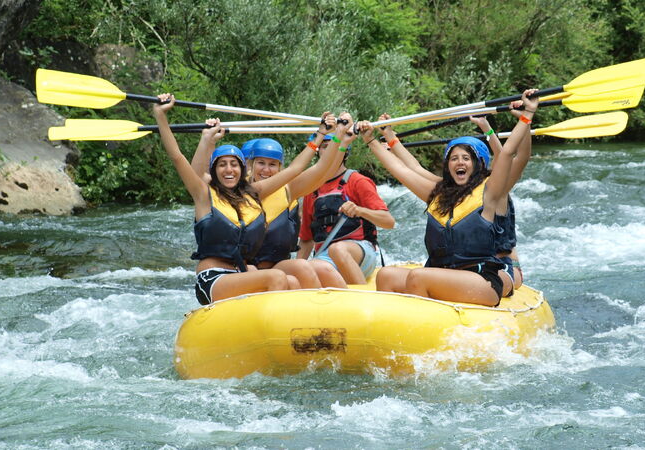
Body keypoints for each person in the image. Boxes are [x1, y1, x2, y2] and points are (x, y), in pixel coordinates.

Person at [356, 88, 538, 306]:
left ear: (479, 164)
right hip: (444, 273)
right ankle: (388, 330)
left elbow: (510, 155)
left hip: (482, 277)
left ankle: (418, 328)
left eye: (465, 158)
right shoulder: (438, 195)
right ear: (447, 166)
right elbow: (404, 170)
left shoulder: (491, 193)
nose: (459, 162)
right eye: (453, 159)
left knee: (418, 276)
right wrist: (372, 140)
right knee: (386, 275)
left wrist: (526, 116)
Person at [153, 93, 310, 304]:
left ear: (242, 169)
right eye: (222, 164)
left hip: (240, 274)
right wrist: (161, 116)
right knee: (277, 277)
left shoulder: (251, 195)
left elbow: (295, 169)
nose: (229, 169)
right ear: (214, 170)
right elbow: (177, 156)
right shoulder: (204, 195)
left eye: (234, 164)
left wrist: (320, 138)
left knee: (291, 283)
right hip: (213, 279)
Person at [192, 113, 346, 288]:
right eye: (261, 163)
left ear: (280, 167)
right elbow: (199, 176)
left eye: (272, 165)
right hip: (246, 271)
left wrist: (338, 136)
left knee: (317, 268)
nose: (266, 170)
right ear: (249, 165)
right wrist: (209, 141)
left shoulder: (287, 190)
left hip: (277, 265)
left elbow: (322, 169)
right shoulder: (233, 191)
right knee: (296, 271)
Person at [297, 115, 396, 285]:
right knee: (307, 268)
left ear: (344, 151)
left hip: (360, 252)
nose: (329, 151)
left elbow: (388, 222)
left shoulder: (357, 181)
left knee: (338, 249)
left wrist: (359, 210)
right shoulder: (310, 190)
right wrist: (298, 268)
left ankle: (362, 299)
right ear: (318, 152)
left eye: (332, 146)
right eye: (324, 147)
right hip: (325, 258)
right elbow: (306, 239)